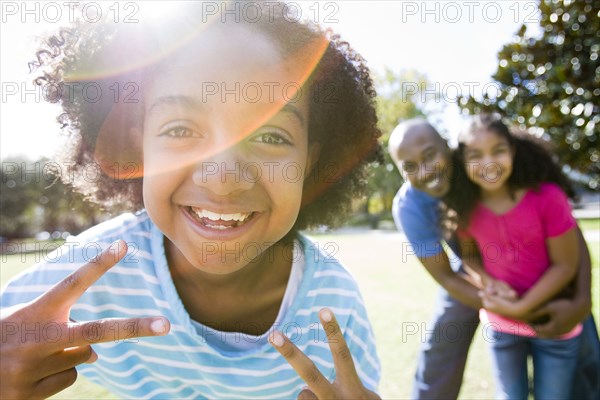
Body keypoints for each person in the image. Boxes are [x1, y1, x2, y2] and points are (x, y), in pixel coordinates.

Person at [0, 2, 382, 399]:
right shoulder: (93, 271)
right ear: (139, 147)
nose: (223, 179)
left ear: (310, 162)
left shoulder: (334, 303)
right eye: (180, 128)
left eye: (271, 136)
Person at [388, 118, 599, 399]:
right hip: (468, 264)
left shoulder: (482, 166)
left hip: (533, 256)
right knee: (443, 341)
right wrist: (509, 309)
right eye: (409, 166)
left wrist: (582, 299)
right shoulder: (410, 207)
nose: (425, 170)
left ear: (450, 149)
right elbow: (447, 276)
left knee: (573, 325)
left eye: (430, 155)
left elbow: (566, 237)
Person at [446, 113, 584, 399]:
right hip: (502, 325)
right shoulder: (465, 207)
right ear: (462, 161)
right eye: (475, 155)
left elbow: (565, 265)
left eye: (498, 150)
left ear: (513, 151)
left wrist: (523, 308)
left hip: (550, 322)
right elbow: (469, 256)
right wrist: (486, 279)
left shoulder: (547, 198)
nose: (488, 163)